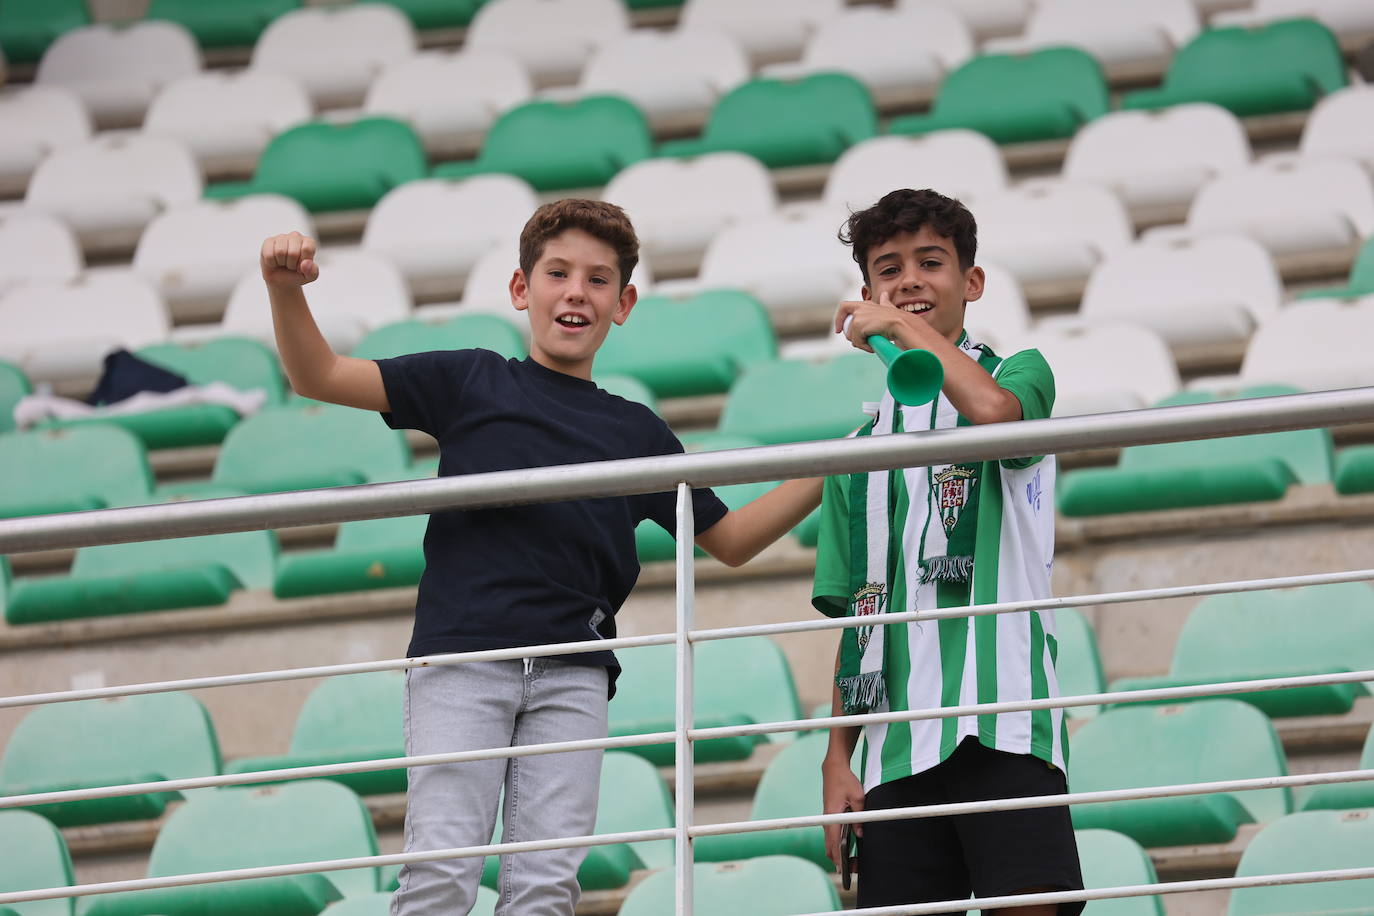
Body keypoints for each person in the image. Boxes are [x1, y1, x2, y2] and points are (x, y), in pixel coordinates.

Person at [259, 199, 822, 916]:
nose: (575, 292)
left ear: (623, 304)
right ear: (521, 289)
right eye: (558, 274)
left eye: (597, 279)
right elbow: (319, 376)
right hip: (464, 661)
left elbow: (731, 540)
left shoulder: (637, 432)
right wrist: (284, 288)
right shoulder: (470, 380)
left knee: (545, 888)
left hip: (574, 675)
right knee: (441, 873)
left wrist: (836, 465)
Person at [813, 189, 1083, 915]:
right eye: (888, 270)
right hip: (895, 749)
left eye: (930, 263)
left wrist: (903, 328)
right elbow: (860, 614)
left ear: (973, 282)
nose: (909, 280)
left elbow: (994, 417)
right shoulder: (856, 451)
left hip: (1006, 723)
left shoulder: (1021, 372)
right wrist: (838, 756)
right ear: (867, 293)